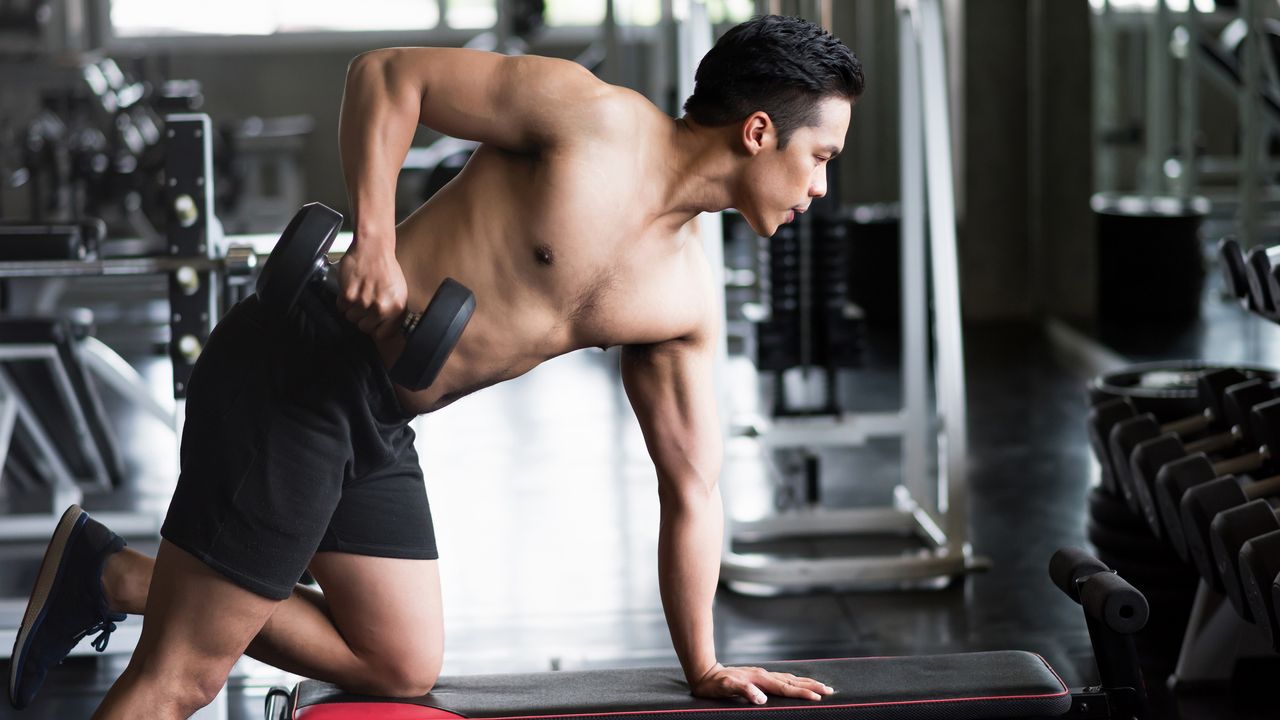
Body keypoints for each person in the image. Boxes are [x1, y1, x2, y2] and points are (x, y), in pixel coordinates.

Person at [8, 15, 864, 719]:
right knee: (184, 678)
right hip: (301, 364)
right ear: (759, 132)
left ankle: (114, 573)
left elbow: (693, 490)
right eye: (820, 157)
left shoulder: (681, 302)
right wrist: (373, 240)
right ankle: (143, 592)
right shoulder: (588, 117)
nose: (821, 188)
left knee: (398, 661)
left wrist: (706, 665)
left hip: (381, 418)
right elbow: (385, 76)